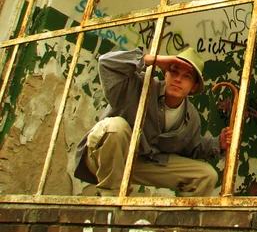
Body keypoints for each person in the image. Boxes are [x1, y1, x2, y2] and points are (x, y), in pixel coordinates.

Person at [74, 47, 232, 197]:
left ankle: (179, 220)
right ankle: (110, 199)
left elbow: (192, 147)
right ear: (165, 74)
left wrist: (218, 143)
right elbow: (106, 62)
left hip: (140, 164)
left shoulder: (191, 117)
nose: (178, 79)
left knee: (207, 175)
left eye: (186, 77)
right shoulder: (140, 86)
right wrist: (154, 60)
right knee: (116, 127)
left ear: (193, 87)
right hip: (104, 158)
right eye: (173, 72)